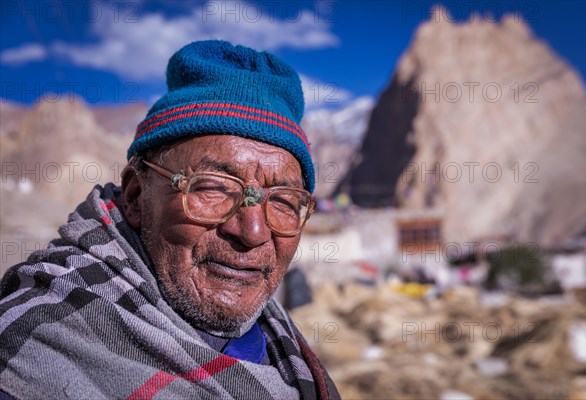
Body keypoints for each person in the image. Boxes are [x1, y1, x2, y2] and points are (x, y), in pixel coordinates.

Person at [0, 40, 340, 400]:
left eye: (285, 201)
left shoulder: (284, 349)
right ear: (135, 196)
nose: (253, 232)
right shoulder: (30, 348)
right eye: (214, 188)